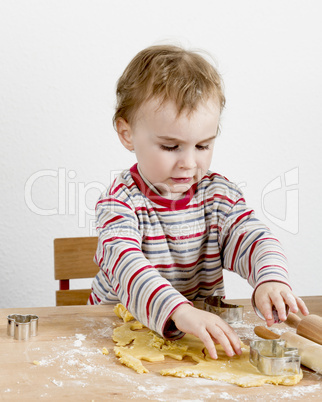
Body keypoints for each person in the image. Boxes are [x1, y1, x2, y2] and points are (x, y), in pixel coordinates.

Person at [88, 44, 308, 359]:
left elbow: (253, 237)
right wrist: (179, 310)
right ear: (127, 133)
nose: (189, 163)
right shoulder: (119, 202)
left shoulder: (217, 197)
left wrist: (269, 278)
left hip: (191, 340)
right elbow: (126, 265)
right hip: (115, 336)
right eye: (170, 146)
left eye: (203, 145)